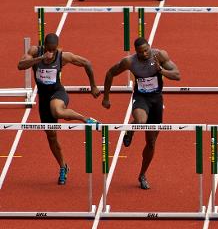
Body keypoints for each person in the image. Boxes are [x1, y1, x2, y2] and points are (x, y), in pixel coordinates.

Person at [17, 33, 100, 185]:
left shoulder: (62, 56)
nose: (51, 53)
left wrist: (93, 86)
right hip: (43, 98)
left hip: (58, 93)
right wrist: (40, 59)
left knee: (57, 111)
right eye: (49, 49)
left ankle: (85, 119)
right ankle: (63, 166)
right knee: (51, 136)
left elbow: (86, 63)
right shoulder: (35, 51)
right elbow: (20, 65)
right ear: (44, 46)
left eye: (54, 50)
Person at [102, 37, 180, 189]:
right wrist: (106, 97)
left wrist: (161, 70)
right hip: (141, 97)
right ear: (135, 52)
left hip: (156, 100)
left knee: (151, 142)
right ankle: (133, 127)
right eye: (140, 52)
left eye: (146, 50)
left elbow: (177, 75)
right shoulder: (129, 62)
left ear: (150, 47)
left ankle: (142, 174)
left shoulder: (159, 55)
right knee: (141, 121)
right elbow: (110, 73)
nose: (144, 54)